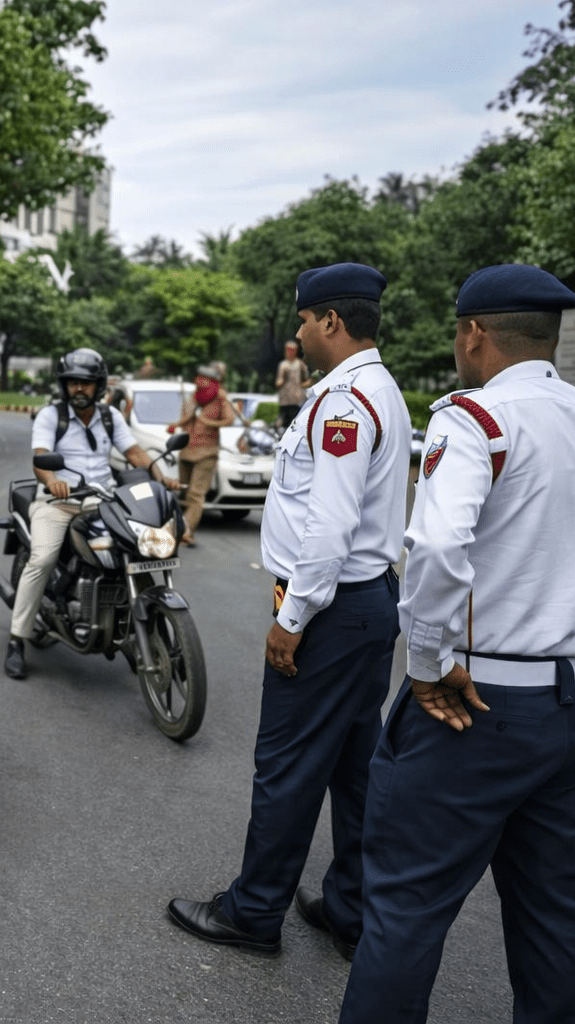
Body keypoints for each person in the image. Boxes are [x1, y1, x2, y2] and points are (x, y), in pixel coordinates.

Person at [338, 265, 575, 1024]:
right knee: (555, 909)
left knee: (406, 907)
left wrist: (430, 665)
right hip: (574, 705)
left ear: (474, 333)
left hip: (475, 706)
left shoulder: (475, 419)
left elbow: (440, 549)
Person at [166, 263, 408, 961]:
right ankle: (351, 905)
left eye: (304, 322)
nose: (298, 334)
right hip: (366, 604)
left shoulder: (341, 403)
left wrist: (292, 617)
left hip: (329, 609)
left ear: (330, 321)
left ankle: (253, 911)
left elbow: (329, 528)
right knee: (354, 768)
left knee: (288, 765)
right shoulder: (376, 391)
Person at [4, 348, 178, 680]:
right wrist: (53, 480)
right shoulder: (50, 416)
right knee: (41, 559)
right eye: (73, 383)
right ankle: (17, 639)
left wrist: (161, 476)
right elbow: (40, 456)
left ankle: (129, 628)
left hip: (102, 499)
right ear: (64, 385)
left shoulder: (110, 416)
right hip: (58, 501)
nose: (79, 390)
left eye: (86, 383)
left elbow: (134, 451)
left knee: (133, 549)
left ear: (98, 386)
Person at [164, 363, 234, 546]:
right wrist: (177, 424)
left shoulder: (220, 397)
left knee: (195, 495)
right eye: (197, 377)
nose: (197, 381)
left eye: (201, 378)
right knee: (184, 493)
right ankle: (181, 527)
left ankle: (186, 531)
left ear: (209, 380)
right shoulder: (194, 397)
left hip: (206, 452)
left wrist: (209, 422)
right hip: (187, 450)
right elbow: (189, 416)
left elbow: (229, 420)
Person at [275, 340, 309, 430]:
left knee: (295, 423)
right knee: (283, 424)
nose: (289, 352)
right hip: (285, 400)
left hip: (297, 400)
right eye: (287, 350)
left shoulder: (300, 364)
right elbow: (278, 382)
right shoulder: (283, 365)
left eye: (291, 350)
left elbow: (305, 380)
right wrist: (282, 381)